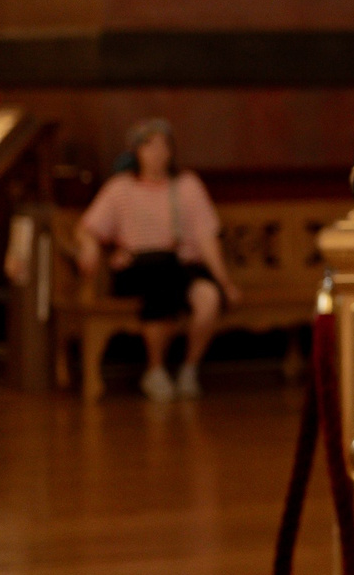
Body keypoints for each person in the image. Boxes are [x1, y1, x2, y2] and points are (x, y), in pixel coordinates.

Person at [75, 119, 239, 401]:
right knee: (160, 276)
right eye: (149, 146)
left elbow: (206, 238)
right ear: (136, 152)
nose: (158, 153)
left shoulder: (187, 186)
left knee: (208, 296)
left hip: (181, 267)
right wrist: (89, 245)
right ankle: (155, 368)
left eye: (164, 145)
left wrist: (225, 282)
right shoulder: (120, 188)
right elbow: (87, 228)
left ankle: (188, 369)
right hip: (138, 268)